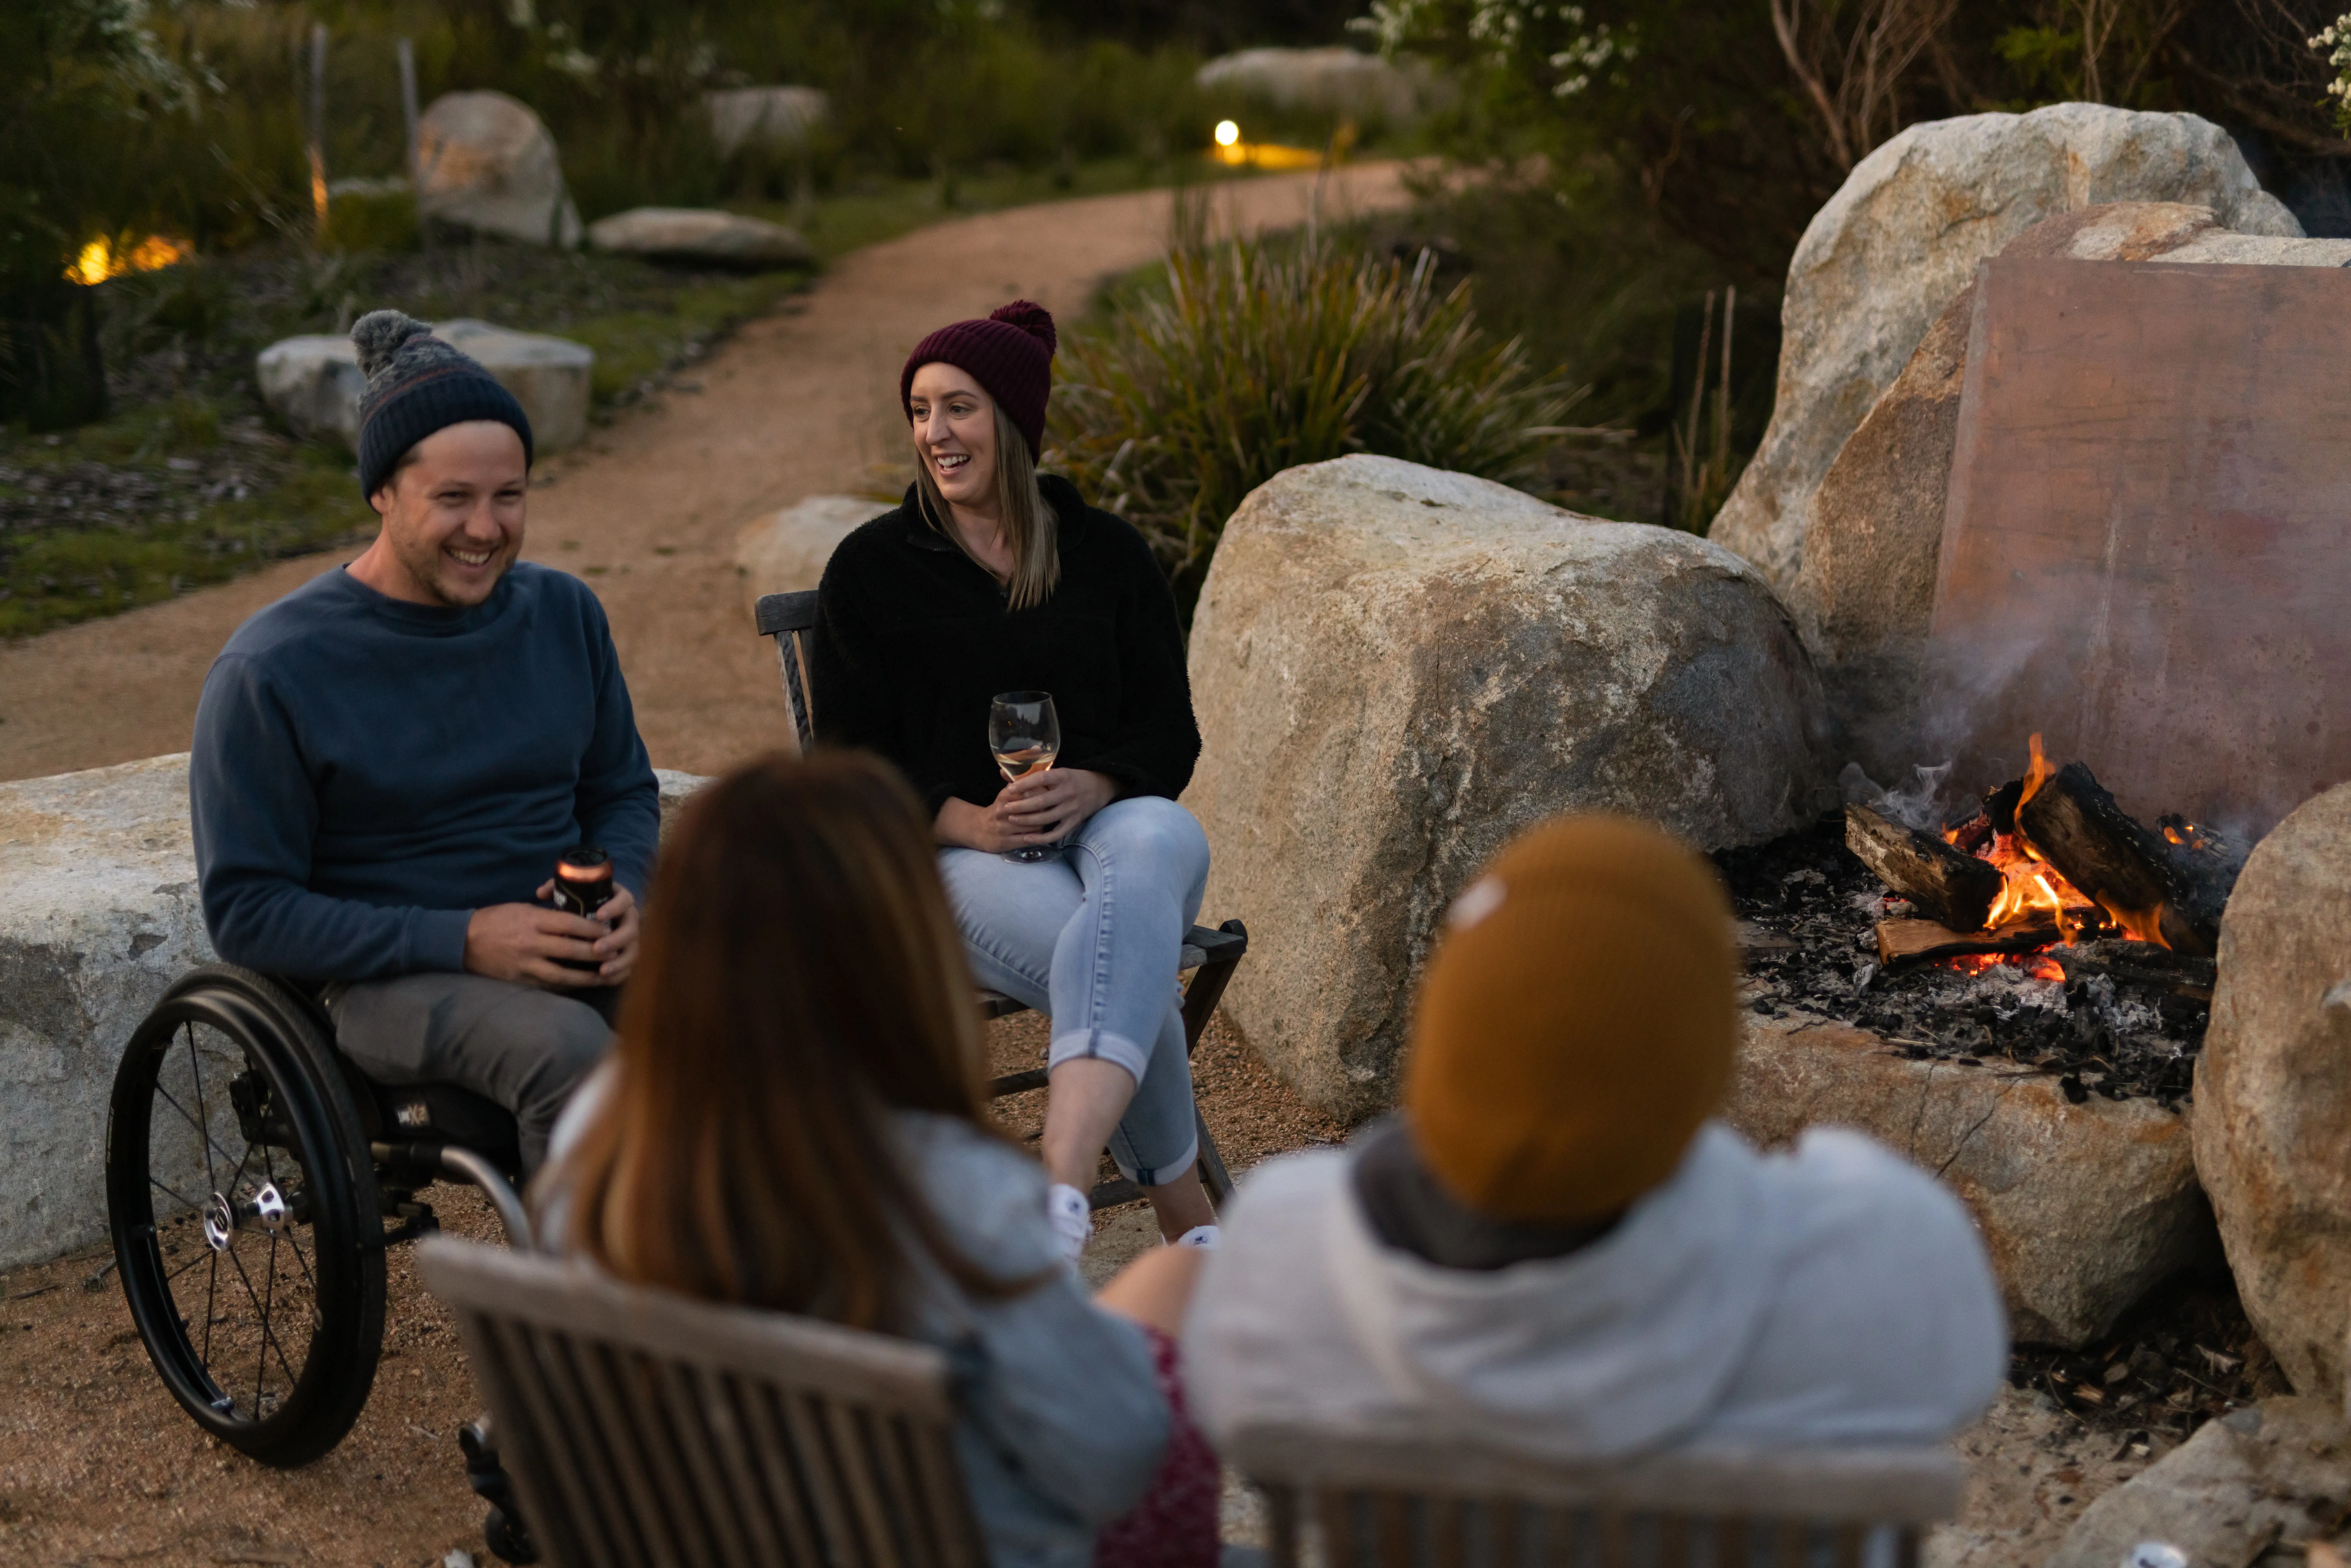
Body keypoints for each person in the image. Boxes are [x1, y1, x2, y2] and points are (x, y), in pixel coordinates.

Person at [535, 750, 1218, 1568]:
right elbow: (1114, 1455)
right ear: (901, 950)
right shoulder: (952, 1186)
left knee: (1164, 1291)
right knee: (1183, 1287)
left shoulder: (602, 1139)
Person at [1184, 814, 2008, 1457]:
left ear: (1442, 1044)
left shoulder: (1278, 1253)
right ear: (1704, 1066)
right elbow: (1966, 1375)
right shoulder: (1881, 1257)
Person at [191, 309, 656, 1172]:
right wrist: (466, 938)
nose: (487, 529)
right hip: (387, 983)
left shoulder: (564, 615)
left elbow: (620, 791)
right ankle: (585, 1306)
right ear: (382, 493)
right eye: (454, 499)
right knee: (568, 1050)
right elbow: (247, 910)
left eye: (508, 497)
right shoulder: (273, 668)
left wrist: (629, 887)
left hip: (568, 938)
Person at [807, 300, 1217, 1260]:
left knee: (1158, 842)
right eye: (919, 411)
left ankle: (1060, 1187)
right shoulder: (873, 570)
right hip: (951, 856)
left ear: (1016, 422)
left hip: (1109, 829)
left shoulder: (1106, 555)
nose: (935, 435)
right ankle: (1185, 1216)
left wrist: (1101, 783)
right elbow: (846, 765)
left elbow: (1171, 730)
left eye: (959, 409)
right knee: (1125, 958)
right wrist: (965, 820)